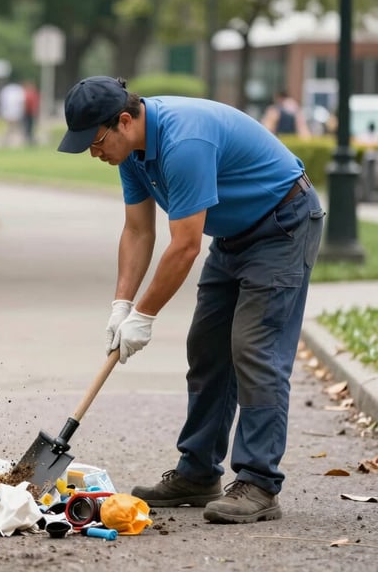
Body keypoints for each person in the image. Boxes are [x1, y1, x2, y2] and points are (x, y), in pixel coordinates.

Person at [57, 76, 324, 524]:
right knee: (206, 348)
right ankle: (198, 473)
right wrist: (120, 305)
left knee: (254, 349)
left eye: (96, 141)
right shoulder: (133, 152)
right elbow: (139, 231)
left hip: (282, 224)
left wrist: (143, 316)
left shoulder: (184, 141)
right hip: (234, 235)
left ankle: (259, 483)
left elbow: (183, 246)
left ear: (124, 121)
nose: (93, 152)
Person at [0, 80, 26, 146]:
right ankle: (13, 140)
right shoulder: (18, 90)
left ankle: (9, 140)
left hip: (8, 112)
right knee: (14, 127)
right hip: (14, 112)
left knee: (9, 127)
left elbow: (1, 101)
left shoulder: (6, 90)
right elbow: (21, 102)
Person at [22, 81, 40, 145]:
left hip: (30, 113)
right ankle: (28, 139)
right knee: (28, 127)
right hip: (28, 113)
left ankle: (29, 139)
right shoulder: (29, 93)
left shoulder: (30, 93)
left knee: (30, 127)